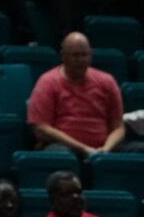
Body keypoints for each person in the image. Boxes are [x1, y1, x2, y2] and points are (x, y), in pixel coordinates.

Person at [28, 32, 129, 160]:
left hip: (102, 148)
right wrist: (84, 149)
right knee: (60, 154)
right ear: (63, 56)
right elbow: (41, 128)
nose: (81, 60)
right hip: (64, 147)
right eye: (75, 56)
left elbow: (119, 127)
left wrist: (105, 150)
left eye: (84, 55)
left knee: (141, 150)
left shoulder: (107, 81)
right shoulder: (48, 82)